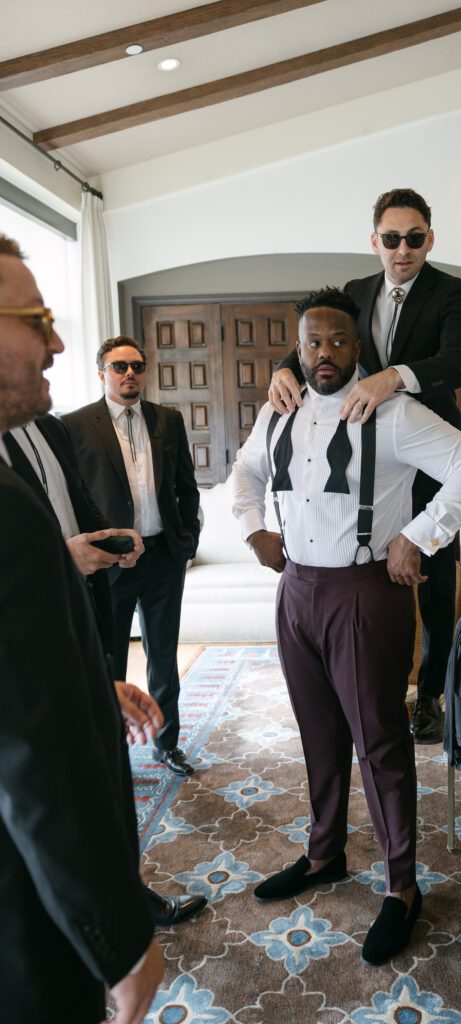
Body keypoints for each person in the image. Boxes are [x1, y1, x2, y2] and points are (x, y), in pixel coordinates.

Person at [233, 287, 461, 965]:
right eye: (312, 342)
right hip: (295, 593)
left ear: (358, 348)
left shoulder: (393, 413)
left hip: (363, 592)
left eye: (338, 342)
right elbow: (243, 474)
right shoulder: (278, 409)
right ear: (298, 346)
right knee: (317, 733)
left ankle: (401, 888)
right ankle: (324, 853)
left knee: (379, 742)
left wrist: (419, 534)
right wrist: (253, 530)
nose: (325, 353)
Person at [0, 233, 163, 1024]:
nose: (56, 341)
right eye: (35, 318)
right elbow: (30, 754)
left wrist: (89, 683)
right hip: (26, 915)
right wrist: (119, 938)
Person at [269, 189, 461, 743]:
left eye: (414, 238)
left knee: (429, 579)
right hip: (360, 454)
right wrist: (283, 370)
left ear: (429, 240)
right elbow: (320, 339)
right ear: (375, 242)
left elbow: (459, 360)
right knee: (365, 567)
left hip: (427, 449)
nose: (403, 249)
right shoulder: (357, 292)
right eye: (392, 239)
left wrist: (392, 377)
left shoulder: (452, 291)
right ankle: (360, 676)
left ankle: (430, 694)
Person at [3, 413, 208, 927]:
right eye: (38, 328)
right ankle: (85, 925)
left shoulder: (47, 427)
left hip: (83, 614)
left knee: (106, 772)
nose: (54, 348)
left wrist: (109, 535)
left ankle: (127, 897)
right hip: (24, 656)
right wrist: (61, 555)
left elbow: (75, 501)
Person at [64, 337, 201, 777]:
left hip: (163, 558)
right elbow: (72, 495)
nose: (130, 374)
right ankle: (112, 752)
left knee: (164, 656)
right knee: (110, 658)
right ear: (101, 372)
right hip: (110, 564)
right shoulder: (74, 425)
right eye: (119, 366)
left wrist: (188, 540)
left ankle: (167, 744)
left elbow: (186, 485)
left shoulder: (169, 420)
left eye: (137, 366)